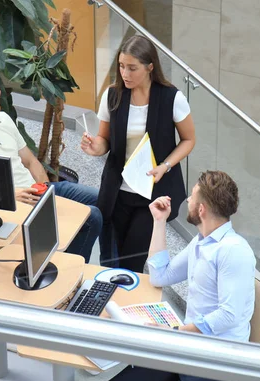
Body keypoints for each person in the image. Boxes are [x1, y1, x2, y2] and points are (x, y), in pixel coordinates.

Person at [96, 170, 256, 381]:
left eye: (192, 197)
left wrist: (175, 332)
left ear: (201, 210)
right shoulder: (200, 243)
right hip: (188, 344)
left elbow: (229, 316)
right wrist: (159, 222)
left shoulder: (234, 251)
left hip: (221, 360)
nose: (187, 201)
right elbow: (160, 276)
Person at [0, 64, 102, 263]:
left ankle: (105, 262)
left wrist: (45, 189)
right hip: (13, 203)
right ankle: (68, 268)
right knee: (93, 217)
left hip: (37, 191)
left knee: (105, 198)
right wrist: (12, 196)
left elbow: (30, 161)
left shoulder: (2, 118)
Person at [81, 35, 195, 272]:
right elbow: (105, 141)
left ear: (150, 66)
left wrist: (165, 165)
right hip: (117, 193)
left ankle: (127, 302)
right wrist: (95, 147)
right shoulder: (112, 95)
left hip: (152, 194)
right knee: (111, 260)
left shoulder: (172, 98)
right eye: (121, 66)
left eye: (132, 68)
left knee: (132, 262)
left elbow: (189, 139)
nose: (125, 73)